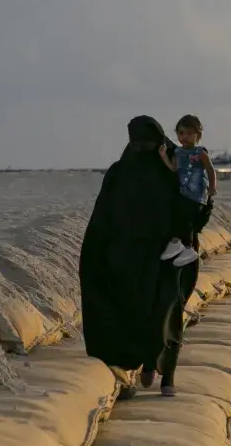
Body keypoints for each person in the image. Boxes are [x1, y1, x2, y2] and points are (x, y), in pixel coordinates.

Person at [80, 116, 199, 397]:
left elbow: (191, 204)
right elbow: (103, 217)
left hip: (159, 256)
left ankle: (160, 372)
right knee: (144, 312)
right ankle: (130, 372)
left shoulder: (165, 170)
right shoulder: (125, 172)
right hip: (130, 258)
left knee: (162, 311)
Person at [158, 114, 216, 267]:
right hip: (183, 193)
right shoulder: (177, 152)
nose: (185, 137)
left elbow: (210, 170)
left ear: (198, 135)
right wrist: (164, 156)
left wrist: (212, 187)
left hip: (197, 195)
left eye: (189, 134)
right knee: (177, 216)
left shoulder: (200, 152)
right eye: (181, 133)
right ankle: (177, 244)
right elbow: (173, 169)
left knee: (185, 220)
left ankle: (187, 248)